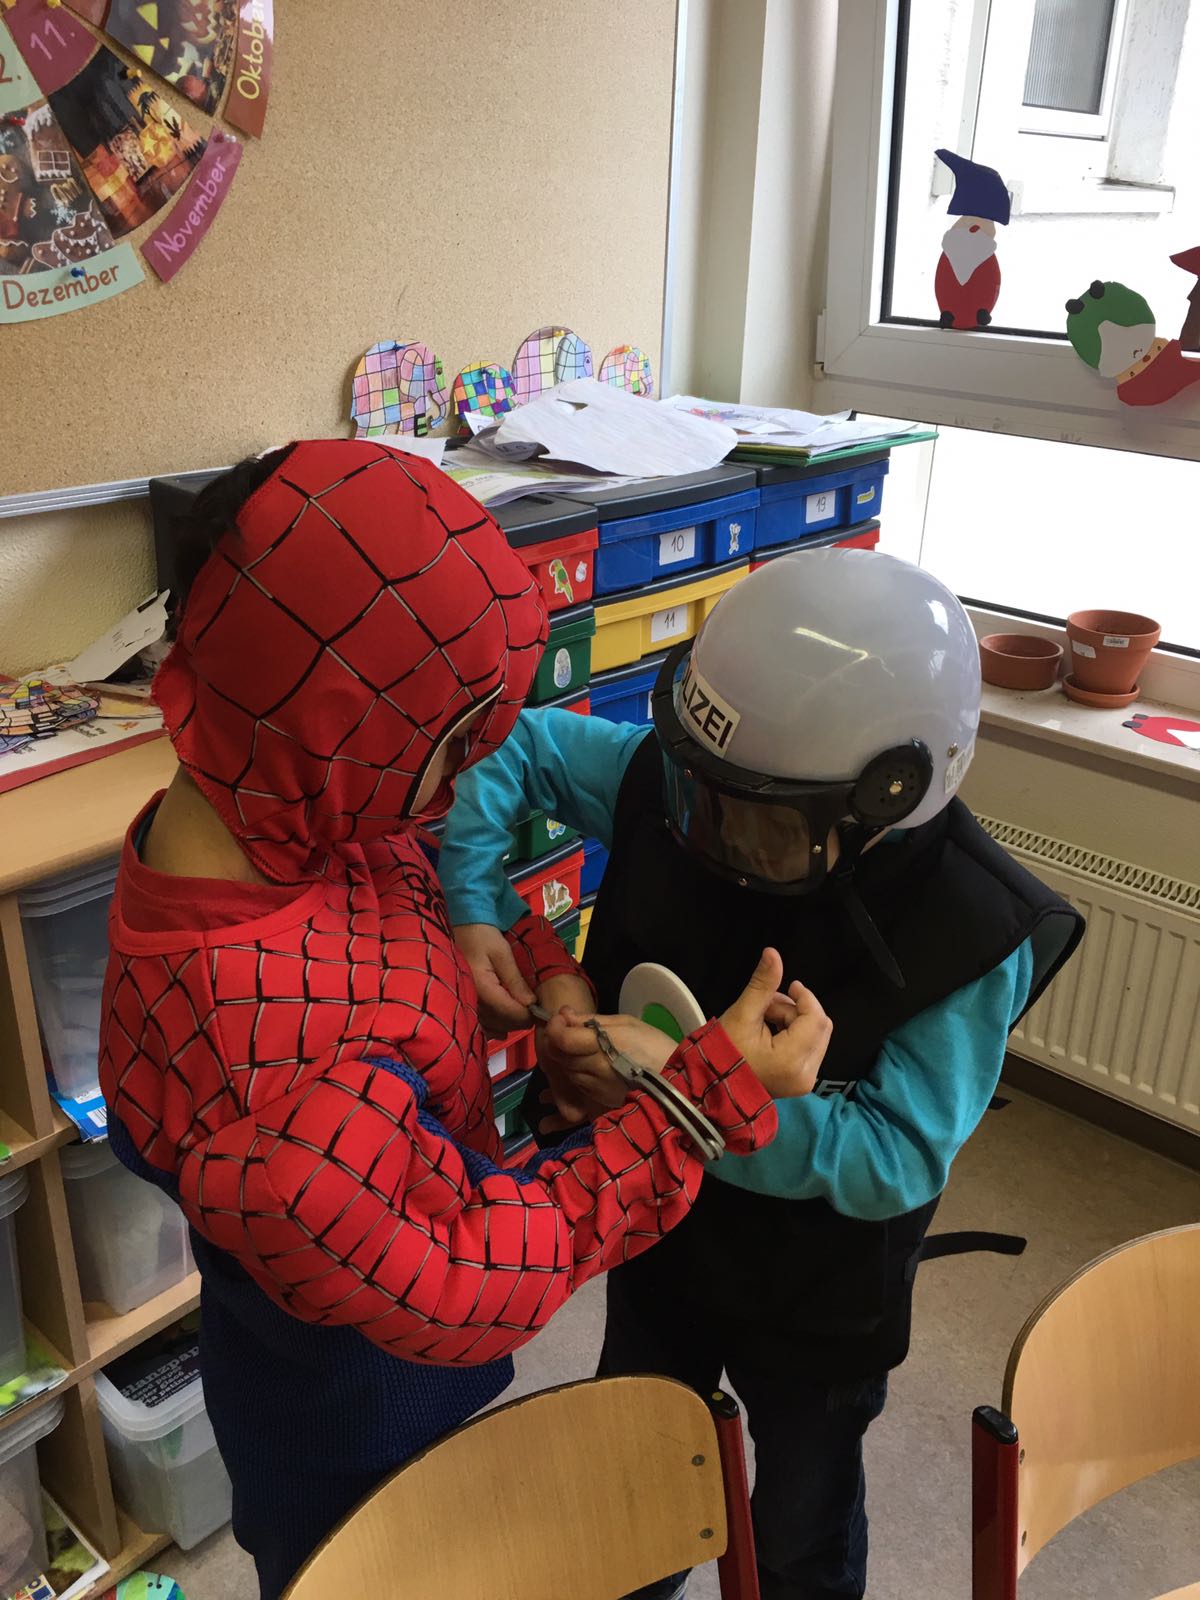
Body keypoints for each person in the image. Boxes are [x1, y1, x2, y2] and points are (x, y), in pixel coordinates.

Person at [97, 439, 829, 1599]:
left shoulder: (267, 805)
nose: (450, 789)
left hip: (380, 1345)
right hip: (351, 1428)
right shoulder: (273, 1074)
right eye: (442, 750)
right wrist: (704, 1093)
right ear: (333, 732)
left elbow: (386, 898)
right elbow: (472, 1272)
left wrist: (528, 957)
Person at [441, 548, 1085, 1600]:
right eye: (703, 792)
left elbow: (895, 1154)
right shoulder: (687, 781)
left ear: (888, 798)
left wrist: (677, 1093)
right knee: (638, 1483)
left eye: (767, 822)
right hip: (659, 1232)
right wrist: (475, 903)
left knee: (798, 1531)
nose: (717, 834)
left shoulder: (970, 930)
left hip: (819, 1296)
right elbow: (515, 746)